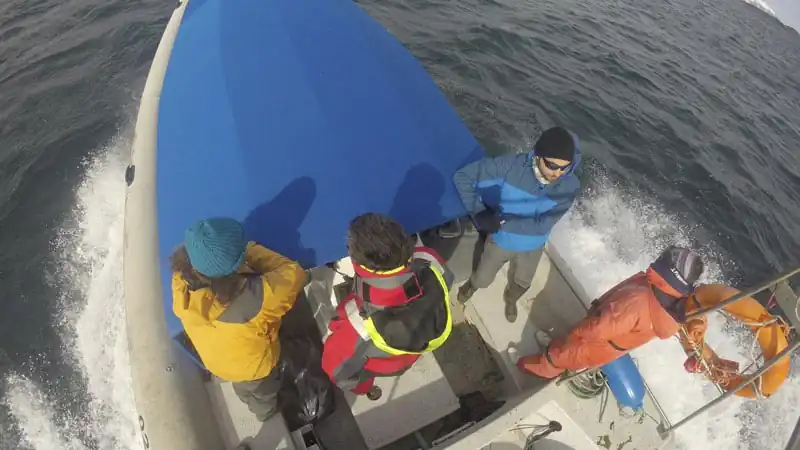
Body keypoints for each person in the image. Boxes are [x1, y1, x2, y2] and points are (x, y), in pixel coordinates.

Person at [171, 217, 307, 421]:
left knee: (242, 388)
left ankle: (245, 398)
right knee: (264, 394)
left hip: (218, 364)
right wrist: (249, 250)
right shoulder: (256, 299)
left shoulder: (180, 283)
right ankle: (266, 413)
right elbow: (295, 274)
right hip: (256, 369)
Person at [516, 246, 705, 379]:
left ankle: (544, 367)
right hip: (608, 344)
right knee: (568, 347)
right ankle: (556, 351)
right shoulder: (666, 298)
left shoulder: (637, 302)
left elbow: (598, 329)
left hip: (593, 343)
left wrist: (577, 334)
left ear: (669, 276)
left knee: (561, 355)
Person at [453, 126, 581, 322]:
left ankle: (511, 299)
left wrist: (504, 223)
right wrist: (478, 211)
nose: (558, 173)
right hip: (500, 241)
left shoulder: (570, 186)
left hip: (533, 245)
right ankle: (470, 288)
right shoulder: (509, 167)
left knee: (522, 282)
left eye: (565, 167)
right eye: (552, 166)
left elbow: (542, 226)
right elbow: (462, 177)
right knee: (482, 279)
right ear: (538, 155)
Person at [321, 213, 454, 398]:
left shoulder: (354, 325)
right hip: (409, 355)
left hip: (383, 363)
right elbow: (447, 278)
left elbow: (338, 373)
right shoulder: (429, 259)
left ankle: (367, 389)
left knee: (360, 378)